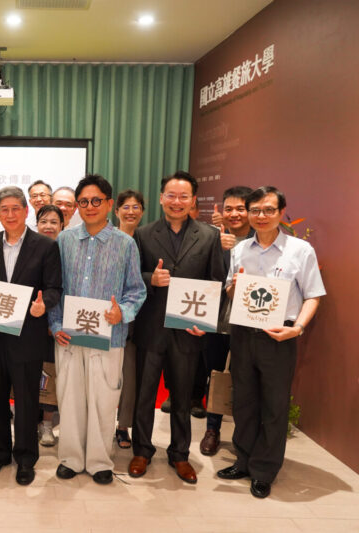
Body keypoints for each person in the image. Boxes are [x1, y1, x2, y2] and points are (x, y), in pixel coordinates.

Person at [217, 186, 325, 499]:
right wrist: (234, 287)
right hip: (242, 333)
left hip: (279, 336)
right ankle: (243, 461)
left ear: (281, 212)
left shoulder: (299, 250)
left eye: (268, 210)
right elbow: (230, 292)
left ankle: (264, 470)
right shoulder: (240, 250)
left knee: (274, 406)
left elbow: (313, 295)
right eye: (255, 210)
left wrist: (298, 328)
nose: (261, 216)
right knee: (243, 401)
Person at [129, 171, 225, 485]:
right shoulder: (143, 234)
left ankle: (180, 454)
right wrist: (150, 279)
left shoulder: (208, 236)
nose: (177, 201)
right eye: (171, 195)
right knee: (145, 395)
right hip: (151, 328)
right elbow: (131, 278)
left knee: (183, 397)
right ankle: (142, 450)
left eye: (184, 196)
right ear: (161, 198)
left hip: (188, 330)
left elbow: (216, 281)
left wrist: (206, 324)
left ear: (193, 200)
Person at [49, 175, 146, 484]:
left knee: (104, 400)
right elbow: (54, 288)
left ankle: (100, 461)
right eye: (83, 202)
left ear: (108, 203)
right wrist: (54, 324)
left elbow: (136, 290)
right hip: (69, 335)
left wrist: (123, 312)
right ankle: (71, 458)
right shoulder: (64, 240)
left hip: (109, 336)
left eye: (96, 201)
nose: (89, 207)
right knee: (70, 399)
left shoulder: (125, 243)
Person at [0, 186, 63, 485]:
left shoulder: (45, 246)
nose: (10, 214)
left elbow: (54, 288)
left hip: (28, 336)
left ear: (26, 211)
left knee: (25, 401)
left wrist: (44, 305)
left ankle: (25, 458)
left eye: (16, 208)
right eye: (4, 209)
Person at [199, 186, 254, 456]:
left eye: (240, 208)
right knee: (215, 374)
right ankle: (212, 429)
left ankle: (246, 435)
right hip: (217, 319)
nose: (234, 214)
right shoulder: (214, 238)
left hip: (250, 323)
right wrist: (218, 249)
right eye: (229, 208)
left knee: (246, 378)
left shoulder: (261, 241)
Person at [113, 189, 145, 449]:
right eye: (126, 207)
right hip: (107, 314)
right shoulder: (109, 239)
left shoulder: (147, 240)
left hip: (138, 317)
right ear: (116, 211)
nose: (131, 212)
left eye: (136, 207)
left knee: (130, 375)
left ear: (142, 212)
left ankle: (123, 426)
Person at [34, 204, 65, 447]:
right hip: (32, 320)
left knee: (50, 372)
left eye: (54, 222)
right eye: (43, 221)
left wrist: (55, 320)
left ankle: (46, 423)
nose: (48, 226)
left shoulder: (67, 249)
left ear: (62, 225)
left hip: (60, 321)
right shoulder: (31, 248)